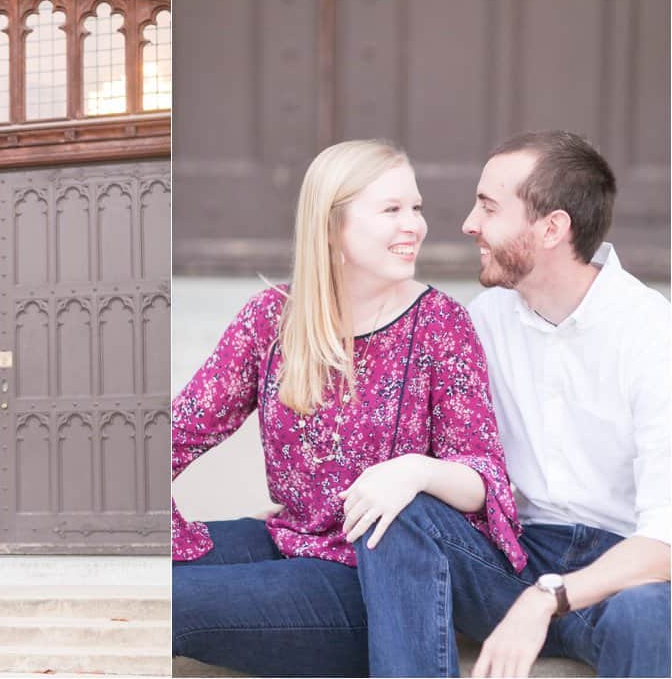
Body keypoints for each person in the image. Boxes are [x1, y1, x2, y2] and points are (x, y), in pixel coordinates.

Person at [172, 139, 526, 677]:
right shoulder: (273, 319)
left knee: (175, 602)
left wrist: (414, 471)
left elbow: (484, 482)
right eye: (391, 210)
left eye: (416, 208)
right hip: (288, 538)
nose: (415, 225)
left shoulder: (441, 325)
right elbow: (181, 428)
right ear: (332, 226)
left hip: (375, 581)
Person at [353, 130, 670, 677]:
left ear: (552, 228)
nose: (469, 224)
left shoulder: (649, 332)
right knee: (399, 507)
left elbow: (665, 541)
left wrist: (547, 598)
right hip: (512, 558)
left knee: (647, 617)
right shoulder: (482, 321)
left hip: (623, 576)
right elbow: (426, 452)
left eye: (489, 207)